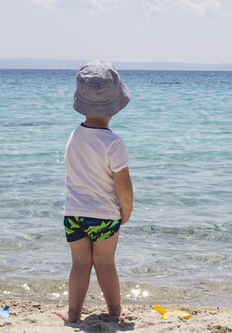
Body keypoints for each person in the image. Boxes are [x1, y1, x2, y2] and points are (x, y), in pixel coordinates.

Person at [55, 60, 133, 322]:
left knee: (79, 264)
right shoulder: (114, 143)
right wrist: (126, 209)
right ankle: (114, 310)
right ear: (116, 105)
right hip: (105, 215)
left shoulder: (73, 137)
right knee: (105, 263)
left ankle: (73, 313)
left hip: (74, 214)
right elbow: (122, 185)